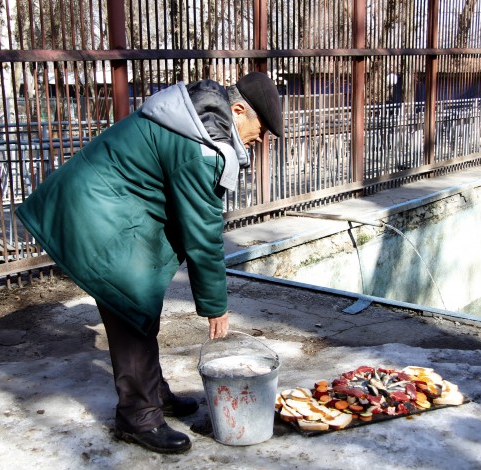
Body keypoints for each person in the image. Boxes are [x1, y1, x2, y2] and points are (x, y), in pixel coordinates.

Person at [15, 72, 283, 454]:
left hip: (105, 205)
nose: (261, 139)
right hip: (92, 212)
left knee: (139, 306)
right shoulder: (199, 146)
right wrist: (215, 306)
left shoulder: (194, 122)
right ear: (238, 110)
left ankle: (152, 391)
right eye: (262, 129)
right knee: (131, 305)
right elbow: (203, 232)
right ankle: (138, 416)